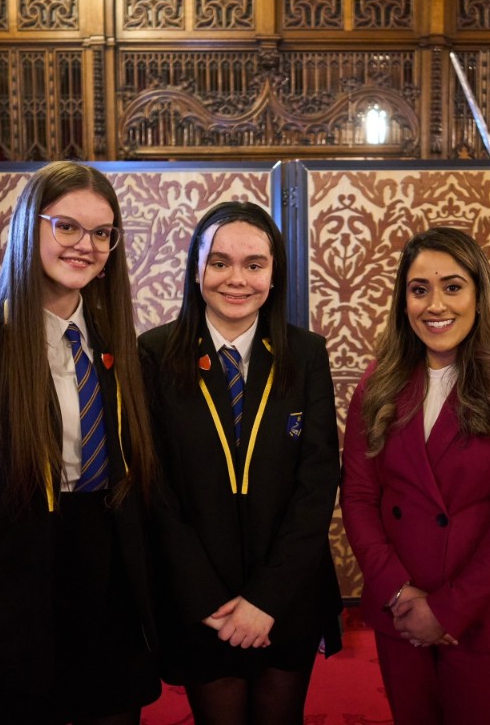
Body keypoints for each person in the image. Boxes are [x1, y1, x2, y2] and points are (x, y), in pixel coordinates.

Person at [0, 161, 161, 724]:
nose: (86, 245)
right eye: (68, 227)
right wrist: (1, 557)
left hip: (111, 576)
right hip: (20, 576)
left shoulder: (125, 348)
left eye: (102, 233)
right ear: (32, 229)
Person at [340, 226, 490, 725]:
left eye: (453, 286)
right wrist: (398, 592)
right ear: (404, 302)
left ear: (481, 295)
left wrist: (448, 610)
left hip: (486, 616)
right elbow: (357, 497)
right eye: (419, 290)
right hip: (402, 615)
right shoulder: (378, 385)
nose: (435, 305)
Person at [137, 201, 342, 725]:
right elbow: (154, 488)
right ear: (196, 269)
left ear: (274, 275)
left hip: (287, 593)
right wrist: (205, 597)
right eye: (219, 262)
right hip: (201, 596)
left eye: (254, 264)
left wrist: (267, 598)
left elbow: (316, 484)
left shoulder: (306, 354)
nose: (237, 279)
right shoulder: (154, 355)